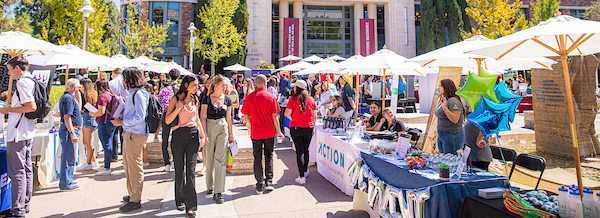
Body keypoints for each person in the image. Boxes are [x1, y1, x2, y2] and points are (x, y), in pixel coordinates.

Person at [0, 56, 38, 216]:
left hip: (18, 134)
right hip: (26, 132)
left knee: (17, 172)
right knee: (26, 170)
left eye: (9, 69)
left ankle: (18, 209)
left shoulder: (22, 82)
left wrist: (9, 110)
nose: (8, 73)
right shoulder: (31, 80)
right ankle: (24, 205)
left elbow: (31, 106)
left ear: (17, 68)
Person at [165, 75, 208, 216]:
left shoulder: (195, 99)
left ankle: (191, 205)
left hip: (193, 135)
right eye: (194, 85)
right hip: (178, 135)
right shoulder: (175, 99)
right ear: (186, 85)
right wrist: (178, 109)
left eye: (197, 85)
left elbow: (196, 119)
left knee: (191, 170)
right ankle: (180, 200)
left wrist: (203, 135)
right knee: (179, 170)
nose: (197, 87)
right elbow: (167, 121)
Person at [111, 67, 149, 212]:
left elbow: (140, 117)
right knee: (128, 165)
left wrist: (122, 122)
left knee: (134, 167)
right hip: (131, 132)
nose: (123, 81)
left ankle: (135, 198)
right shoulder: (135, 93)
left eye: (125, 78)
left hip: (135, 133)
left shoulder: (138, 94)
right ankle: (133, 193)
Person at [241, 74, 283, 194]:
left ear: (255, 83)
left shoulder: (250, 97)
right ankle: (269, 181)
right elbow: (275, 117)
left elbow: (245, 114)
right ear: (265, 83)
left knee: (257, 157)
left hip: (256, 132)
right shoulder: (271, 97)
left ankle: (259, 183)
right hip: (269, 131)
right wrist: (278, 131)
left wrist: (250, 124)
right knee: (269, 155)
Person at [200, 75, 234, 204]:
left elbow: (229, 119)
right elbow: (202, 117)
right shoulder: (206, 99)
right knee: (209, 158)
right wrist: (204, 134)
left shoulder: (227, 100)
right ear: (216, 85)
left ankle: (218, 191)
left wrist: (231, 135)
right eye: (223, 85)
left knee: (220, 159)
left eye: (225, 85)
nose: (225, 87)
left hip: (222, 127)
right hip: (209, 126)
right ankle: (209, 185)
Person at [285, 80, 317, 185]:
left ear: (296, 88)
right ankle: (305, 170)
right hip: (308, 127)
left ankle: (302, 175)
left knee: (299, 152)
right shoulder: (311, 100)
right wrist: (313, 126)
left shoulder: (293, 99)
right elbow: (314, 116)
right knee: (306, 150)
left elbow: (286, 114)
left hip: (296, 127)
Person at [57, 79, 84, 192]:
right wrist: (72, 133)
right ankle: (66, 183)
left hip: (70, 129)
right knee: (68, 157)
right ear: (75, 88)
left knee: (70, 156)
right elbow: (67, 117)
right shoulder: (68, 98)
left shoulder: (68, 97)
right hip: (69, 130)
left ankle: (68, 180)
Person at [91, 79, 117, 176]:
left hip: (104, 122)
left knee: (106, 145)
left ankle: (107, 167)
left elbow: (101, 112)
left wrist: (92, 113)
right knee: (108, 143)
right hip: (111, 121)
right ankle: (107, 165)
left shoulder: (103, 96)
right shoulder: (110, 94)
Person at [157, 69, 181, 172]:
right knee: (176, 139)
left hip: (165, 113)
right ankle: (175, 161)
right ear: (178, 77)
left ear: (169, 76)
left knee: (165, 139)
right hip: (176, 114)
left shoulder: (164, 87)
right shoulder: (179, 88)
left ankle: (166, 162)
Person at [435, 79, 465, 155]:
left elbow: (455, 119)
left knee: (450, 160)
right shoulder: (444, 100)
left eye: (441, 86)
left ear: (447, 87)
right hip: (442, 133)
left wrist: (445, 108)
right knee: (444, 159)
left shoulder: (453, 101)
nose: (438, 88)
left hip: (452, 135)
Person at [76, 78, 99, 171]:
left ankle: (89, 162)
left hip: (88, 118)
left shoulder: (85, 95)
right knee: (87, 142)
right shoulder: (93, 94)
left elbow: (81, 107)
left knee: (87, 142)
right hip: (90, 117)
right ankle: (93, 161)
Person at [109, 68, 128, 162]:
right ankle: (124, 153)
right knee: (124, 132)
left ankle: (114, 155)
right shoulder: (126, 83)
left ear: (113, 74)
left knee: (114, 132)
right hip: (126, 109)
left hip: (115, 109)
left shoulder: (111, 83)